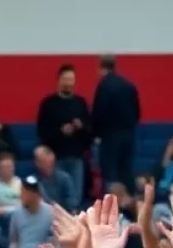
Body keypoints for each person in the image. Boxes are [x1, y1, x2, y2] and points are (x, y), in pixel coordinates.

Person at [36, 65, 90, 205]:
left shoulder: (81, 103)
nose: (68, 83)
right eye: (65, 79)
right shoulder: (48, 104)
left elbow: (90, 131)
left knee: (74, 199)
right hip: (55, 159)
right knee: (55, 199)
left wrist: (81, 126)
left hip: (76, 157)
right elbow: (42, 132)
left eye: (71, 79)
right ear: (59, 80)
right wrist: (60, 131)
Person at [92, 55, 141, 192]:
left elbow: (98, 113)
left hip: (110, 136)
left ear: (101, 67)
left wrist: (96, 134)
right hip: (129, 135)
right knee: (126, 171)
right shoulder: (129, 85)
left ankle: (112, 207)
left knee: (110, 175)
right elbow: (137, 112)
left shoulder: (104, 86)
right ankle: (132, 206)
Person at [8, 178, 54, 248]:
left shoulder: (50, 212)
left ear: (34, 194)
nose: (20, 195)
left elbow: (54, 240)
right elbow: (13, 241)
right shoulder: (16, 213)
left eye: (23, 192)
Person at [34, 146, 78, 211]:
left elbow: (72, 201)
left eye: (46, 162)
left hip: (64, 214)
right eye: (41, 162)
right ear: (36, 163)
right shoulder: (32, 181)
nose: (45, 165)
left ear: (53, 161)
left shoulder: (64, 177)